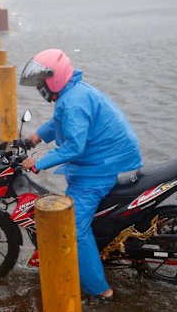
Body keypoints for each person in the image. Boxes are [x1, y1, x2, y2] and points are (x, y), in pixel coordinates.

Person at [19, 49, 142, 304]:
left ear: (54, 78)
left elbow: (74, 147)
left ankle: (101, 291)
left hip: (98, 171)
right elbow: (58, 122)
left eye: (42, 82)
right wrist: (35, 137)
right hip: (98, 163)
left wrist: (38, 162)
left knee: (73, 228)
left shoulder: (73, 101)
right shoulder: (72, 93)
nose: (40, 88)